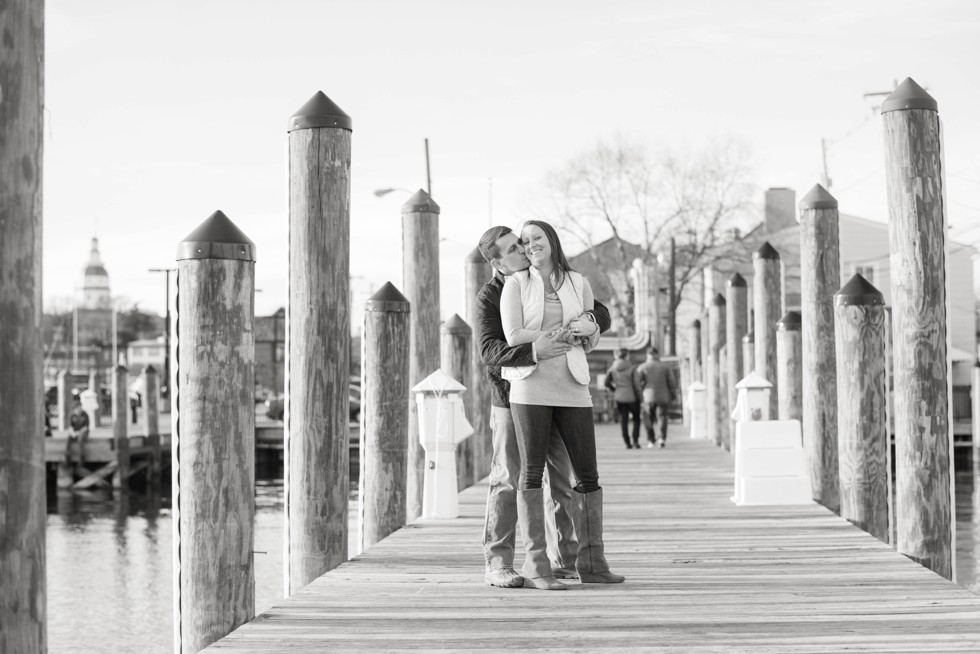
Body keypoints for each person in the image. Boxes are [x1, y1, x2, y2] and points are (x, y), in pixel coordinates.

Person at [476, 225, 612, 589]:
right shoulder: (493, 294)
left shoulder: (555, 279)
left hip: (561, 390)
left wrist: (592, 321)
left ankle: (566, 557)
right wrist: (540, 348)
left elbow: (595, 310)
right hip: (510, 397)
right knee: (509, 475)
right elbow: (490, 351)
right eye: (511, 250)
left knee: (564, 478)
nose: (522, 251)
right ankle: (499, 561)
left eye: (521, 244)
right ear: (497, 263)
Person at [636, 346, 677, 447]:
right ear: (657, 354)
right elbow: (672, 382)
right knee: (662, 417)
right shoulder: (665, 367)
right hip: (662, 396)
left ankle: (651, 439)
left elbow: (637, 382)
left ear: (647, 355)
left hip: (647, 397)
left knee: (648, 418)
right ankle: (662, 438)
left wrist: (639, 394)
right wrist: (673, 395)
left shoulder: (642, 367)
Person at [605, 348, 642, 449]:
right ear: (626, 356)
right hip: (632, 397)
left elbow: (606, 383)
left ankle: (627, 442)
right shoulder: (632, 368)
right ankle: (635, 441)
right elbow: (637, 384)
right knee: (636, 419)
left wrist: (615, 390)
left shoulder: (612, 368)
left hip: (620, 397)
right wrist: (640, 397)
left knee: (624, 420)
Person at [67, 399, 90, 466]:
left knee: (80, 440)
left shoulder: (85, 415)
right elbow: (70, 427)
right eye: (78, 407)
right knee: (68, 439)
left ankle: (82, 457)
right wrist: (73, 433)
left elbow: (86, 427)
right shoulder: (72, 415)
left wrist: (78, 433)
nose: (79, 409)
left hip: (83, 432)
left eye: (80, 407)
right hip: (75, 432)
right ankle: (67, 456)